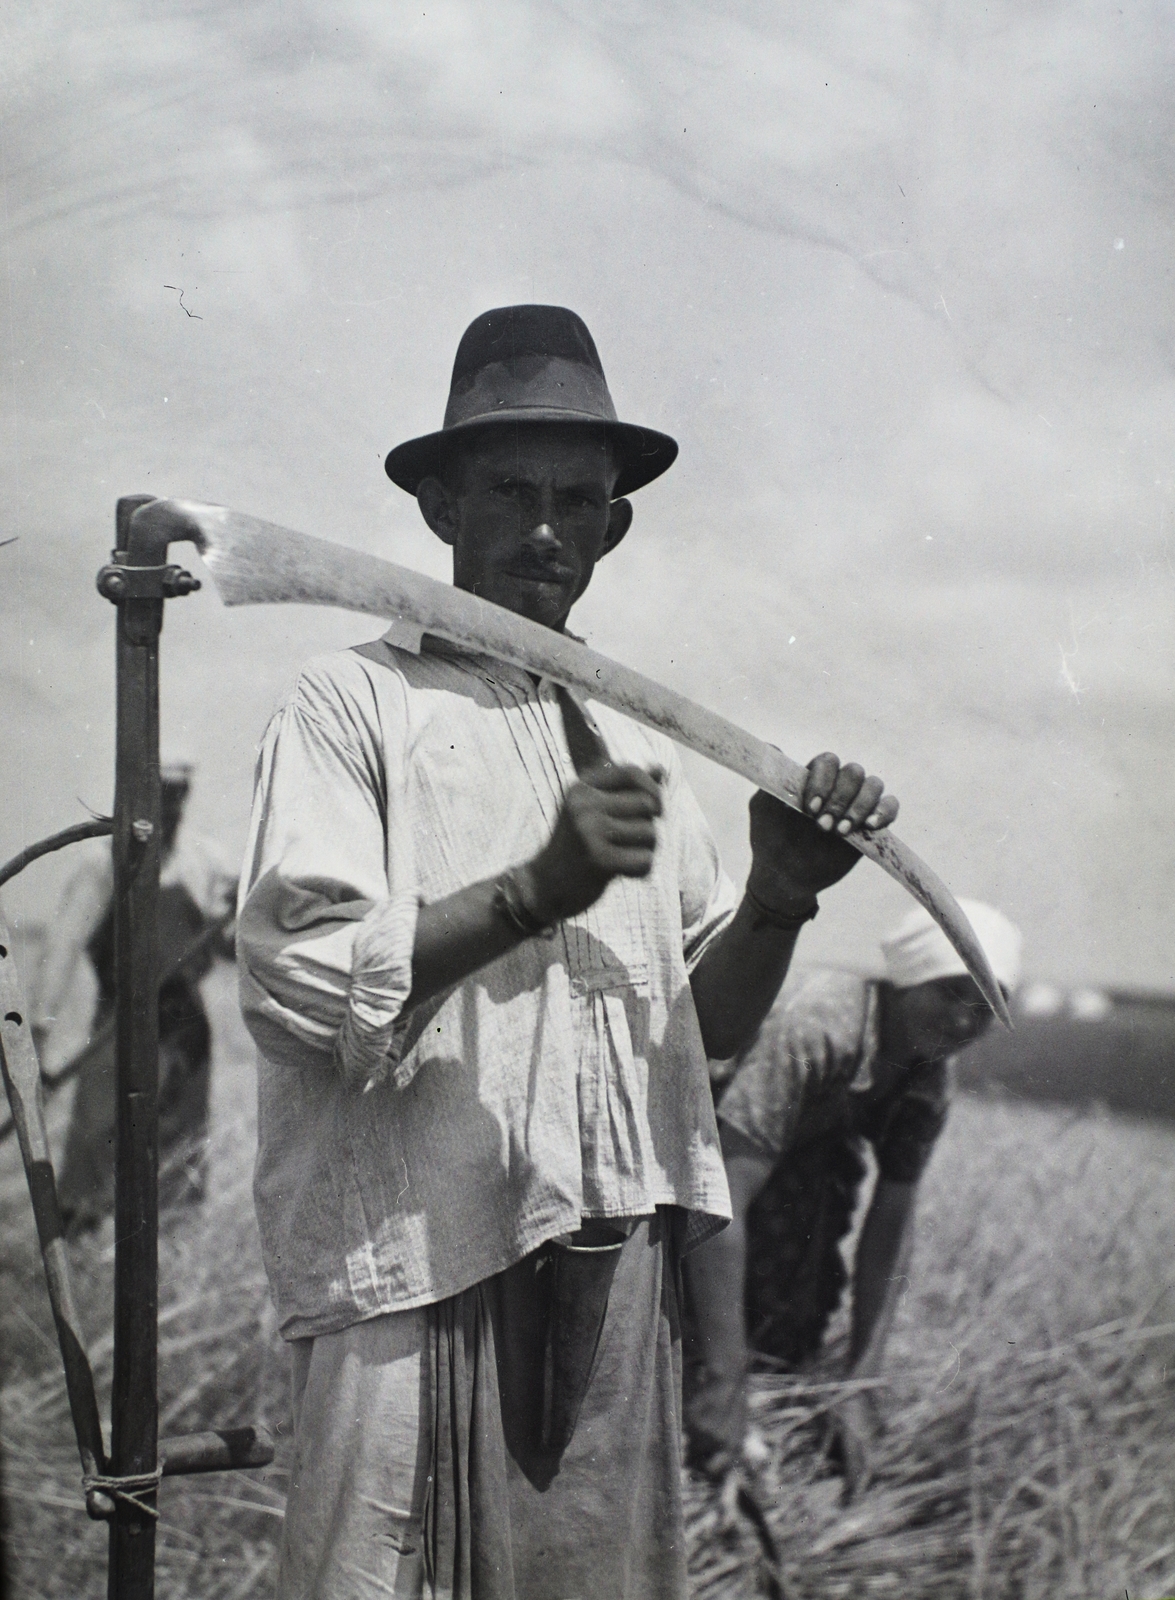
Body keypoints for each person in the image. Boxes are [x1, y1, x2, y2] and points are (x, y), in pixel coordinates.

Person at [236, 304, 901, 1600]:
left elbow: (695, 1042)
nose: (544, 529)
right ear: (438, 504)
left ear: (614, 522)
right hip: (411, 1283)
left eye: (575, 500)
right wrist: (537, 888)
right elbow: (300, 988)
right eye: (508, 491)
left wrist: (775, 897)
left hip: (604, 1301)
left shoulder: (640, 745)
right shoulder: (352, 701)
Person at [681, 900, 1022, 1503]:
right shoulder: (819, 1024)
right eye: (951, 993)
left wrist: (863, 1381)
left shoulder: (928, 1078)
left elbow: (890, 1224)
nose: (965, 1022)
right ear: (907, 978)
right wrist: (724, 1377)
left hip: (787, 1168)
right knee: (686, 1346)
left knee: (790, 1321)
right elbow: (718, 1193)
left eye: (985, 1007)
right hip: (697, 1151)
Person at [30, 760, 236, 1233]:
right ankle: (82, 1258)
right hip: (116, 1028)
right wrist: (39, 1032)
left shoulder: (205, 860)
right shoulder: (101, 865)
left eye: (177, 793)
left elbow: (229, 948)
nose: (168, 804)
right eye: (159, 791)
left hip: (184, 1033)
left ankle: (170, 1267)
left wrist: (235, 913)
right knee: (95, 1150)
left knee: (176, 1158)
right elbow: (61, 946)